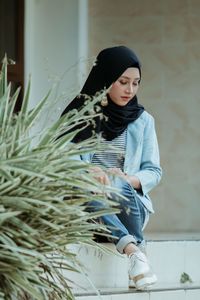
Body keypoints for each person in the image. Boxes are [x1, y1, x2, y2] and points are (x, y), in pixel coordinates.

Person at [61, 46, 162, 290]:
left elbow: (153, 171)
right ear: (105, 78)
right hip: (89, 204)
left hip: (127, 204)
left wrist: (129, 179)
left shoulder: (143, 121)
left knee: (119, 184)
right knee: (86, 188)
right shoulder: (79, 114)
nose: (130, 90)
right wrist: (87, 171)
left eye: (136, 83)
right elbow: (60, 159)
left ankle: (131, 250)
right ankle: (135, 251)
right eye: (123, 81)